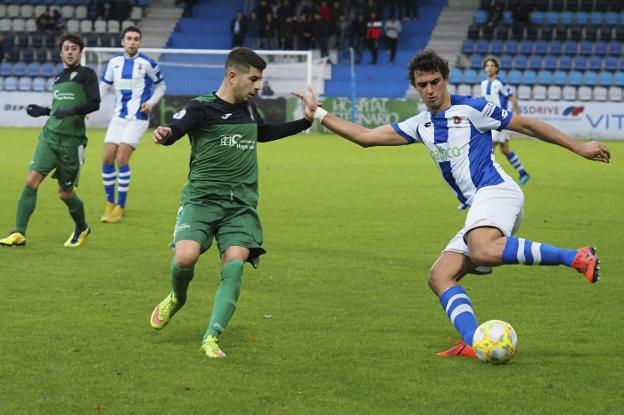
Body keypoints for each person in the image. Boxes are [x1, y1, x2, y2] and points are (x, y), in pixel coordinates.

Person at [293, 49, 609, 359]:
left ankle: (576, 257)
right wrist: (318, 113)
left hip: (497, 191)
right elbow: (364, 136)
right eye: (422, 85)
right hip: (479, 206)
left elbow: (526, 125)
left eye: (435, 82)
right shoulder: (420, 124)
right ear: (416, 87)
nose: (430, 90)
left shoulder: (472, 109)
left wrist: (578, 147)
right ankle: (473, 341)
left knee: (483, 249)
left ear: (445, 80)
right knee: (440, 276)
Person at [149, 47, 315, 358]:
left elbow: (263, 134)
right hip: (201, 199)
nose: (258, 86)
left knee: (234, 264)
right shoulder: (202, 107)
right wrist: (166, 133)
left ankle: (212, 336)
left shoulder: (250, 110)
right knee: (185, 258)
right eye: (254, 79)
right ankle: (177, 297)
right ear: (232, 76)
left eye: (260, 79)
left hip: (239, 206)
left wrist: (304, 122)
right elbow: (177, 128)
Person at [0, 33, 100, 248]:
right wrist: (44, 111)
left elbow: (95, 103)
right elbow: (58, 109)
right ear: (61, 51)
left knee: (65, 193)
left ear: (80, 52)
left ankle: (82, 227)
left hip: (72, 143)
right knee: (31, 181)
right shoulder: (58, 78)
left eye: (74, 48)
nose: (70, 51)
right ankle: (19, 232)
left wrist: (73, 110)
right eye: (66, 48)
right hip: (50, 136)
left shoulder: (87, 74)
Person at [99, 26, 166, 223]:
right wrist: (88, 107)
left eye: (136, 39)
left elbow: (162, 86)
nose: (132, 42)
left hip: (138, 117)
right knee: (107, 158)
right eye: (129, 38)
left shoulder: (147, 63)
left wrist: (151, 102)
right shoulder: (114, 63)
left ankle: (120, 206)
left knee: (122, 159)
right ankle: (110, 203)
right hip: (118, 117)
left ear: (140, 42)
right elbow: (104, 87)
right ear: (122, 41)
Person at [481, 57, 530, 185]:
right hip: (489, 121)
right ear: (485, 68)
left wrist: (518, 116)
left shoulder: (500, 83)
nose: (490, 68)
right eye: (488, 65)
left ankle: (488, 179)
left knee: (487, 150)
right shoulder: (483, 84)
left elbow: (512, 98)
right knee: (505, 150)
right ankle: (523, 172)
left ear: (496, 68)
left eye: (492, 65)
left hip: (499, 121)